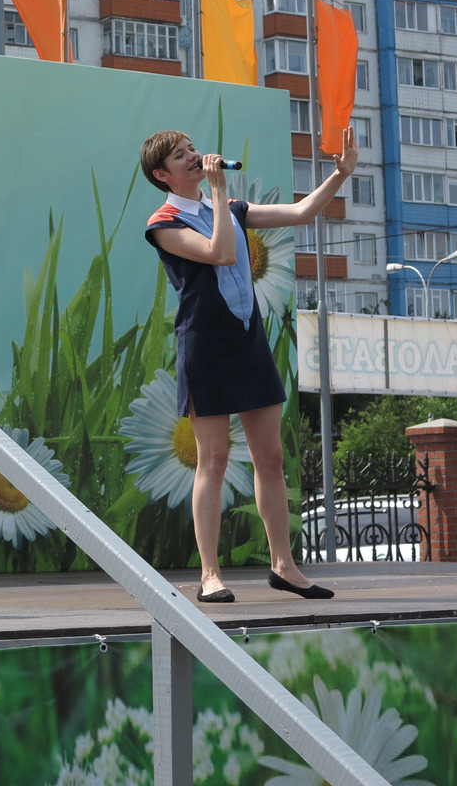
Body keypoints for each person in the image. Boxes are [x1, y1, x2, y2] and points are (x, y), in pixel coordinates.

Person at [139, 126, 357, 604]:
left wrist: (340, 175)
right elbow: (220, 253)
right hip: (205, 346)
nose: (195, 157)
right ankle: (210, 574)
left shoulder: (233, 208)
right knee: (214, 459)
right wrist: (218, 193)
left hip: (248, 341)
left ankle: (284, 567)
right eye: (181, 155)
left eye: (193, 149)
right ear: (162, 174)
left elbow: (301, 213)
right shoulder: (164, 223)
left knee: (271, 458)